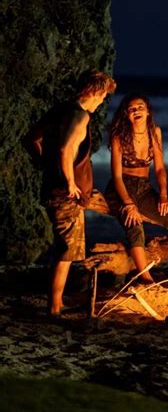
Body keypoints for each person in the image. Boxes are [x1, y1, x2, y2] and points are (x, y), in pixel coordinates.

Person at [32, 69, 117, 316]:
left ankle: (56, 303)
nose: (103, 101)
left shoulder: (60, 110)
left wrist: (45, 165)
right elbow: (65, 149)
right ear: (95, 92)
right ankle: (55, 307)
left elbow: (31, 139)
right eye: (103, 96)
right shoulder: (80, 116)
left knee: (65, 248)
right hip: (67, 194)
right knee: (67, 251)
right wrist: (69, 181)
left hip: (55, 187)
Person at [106, 93, 168, 282]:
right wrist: (128, 204)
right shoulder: (119, 136)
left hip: (144, 188)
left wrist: (162, 194)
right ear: (126, 114)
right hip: (121, 188)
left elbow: (160, 168)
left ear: (147, 111)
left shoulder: (155, 132)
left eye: (140, 107)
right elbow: (117, 176)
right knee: (134, 225)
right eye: (131, 109)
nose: (136, 110)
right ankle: (146, 279)